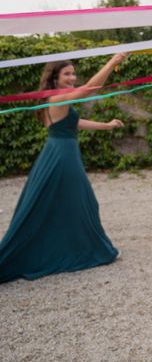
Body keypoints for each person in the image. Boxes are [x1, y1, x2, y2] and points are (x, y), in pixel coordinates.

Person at [0, 54, 128, 283]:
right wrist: (112, 62)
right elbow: (90, 88)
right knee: (83, 200)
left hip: (56, 151)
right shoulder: (57, 98)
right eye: (66, 74)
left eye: (73, 73)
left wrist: (106, 126)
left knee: (60, 202)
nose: (72, 77)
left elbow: (73, 123)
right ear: (55, 78)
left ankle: (74, 247)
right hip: (63, 156)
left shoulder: (56, 98)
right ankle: (90, 250)